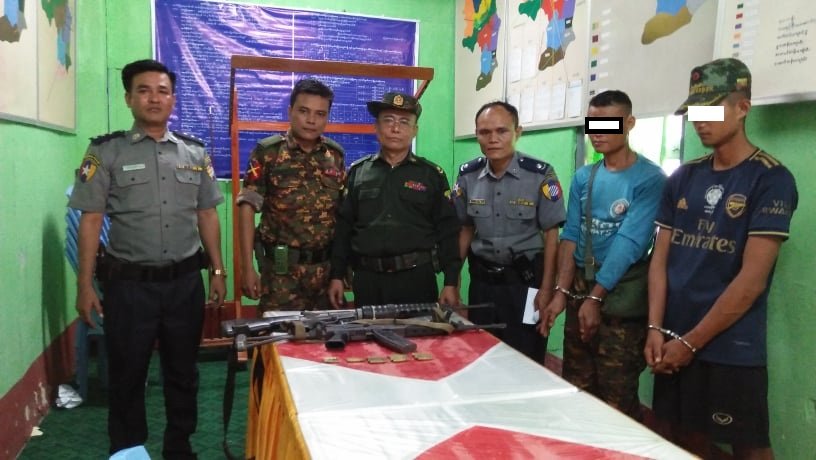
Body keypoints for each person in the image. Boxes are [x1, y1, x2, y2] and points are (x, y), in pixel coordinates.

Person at [69, 59, 226, 459]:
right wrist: (84, 285)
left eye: (162, 91)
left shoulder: (194, 152)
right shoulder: (106, 151)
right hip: (129, 286)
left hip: (184, 284)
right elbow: (91, 220)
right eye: (144, 90)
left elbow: (207, 214)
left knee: (183, 372)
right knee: (127, 373)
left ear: (172, 99)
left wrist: (218, 270)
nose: (154, 98)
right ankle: (127, 450)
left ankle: (179, 447)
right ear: (128, 98)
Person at [645, 58, 798, 459]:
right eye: (695, 111)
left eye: (711, 110)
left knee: (749, 446)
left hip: (730, 345)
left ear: (743, 107)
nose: (700, 120)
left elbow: (751, 282)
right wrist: (655, 327)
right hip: (673, 335)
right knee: (683, 438)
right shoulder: (683, 177)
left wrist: (691, 344)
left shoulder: (770, 179)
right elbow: (660, 261)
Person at [539, 90, 666, 419]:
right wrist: (561, 293)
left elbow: (630, 242)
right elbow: (572, 236)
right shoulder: (585, 176)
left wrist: (595, 298)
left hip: (620, 295)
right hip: (581, 289)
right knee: (577, 388)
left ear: (630, 123)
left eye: (608, 123)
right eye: (592, 123)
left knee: (616, 398)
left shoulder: (650, 179)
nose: (597, 132)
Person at [452, 101, 565, 362]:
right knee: (482, 356)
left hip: (526, 285)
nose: (493, 139)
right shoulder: (468, 175)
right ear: (477, 134)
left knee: (526, 357)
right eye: (484, 132)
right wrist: (452, 281)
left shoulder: (540, 174)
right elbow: (465, 229)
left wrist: (547, 289)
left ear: (518, 132)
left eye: (501, 131)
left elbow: (551, 236)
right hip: (483, 284)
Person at [327, 92, 461, 308]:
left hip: (416, 279)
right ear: (376, 127)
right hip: (368, 279)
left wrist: (451, 281)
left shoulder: (431, 175)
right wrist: (337, 275)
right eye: (388, 120)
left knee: (419, 330)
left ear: (415, 130)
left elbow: (447, 231)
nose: (395, 128)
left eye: (404, 122)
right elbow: (344, 228)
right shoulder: (358, 173)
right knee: (367, 331)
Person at [236, 78, 345, 312]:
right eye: (304, 111)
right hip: (280, 276)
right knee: (278, 333)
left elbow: (342, 217)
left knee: (326, 334)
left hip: (324, 274)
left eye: (320, 114)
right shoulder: (268, 153)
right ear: (290, 112)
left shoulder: (335, 156)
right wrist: (246, 267)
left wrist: (341, 272)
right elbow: (247, 208)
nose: (311, 120)